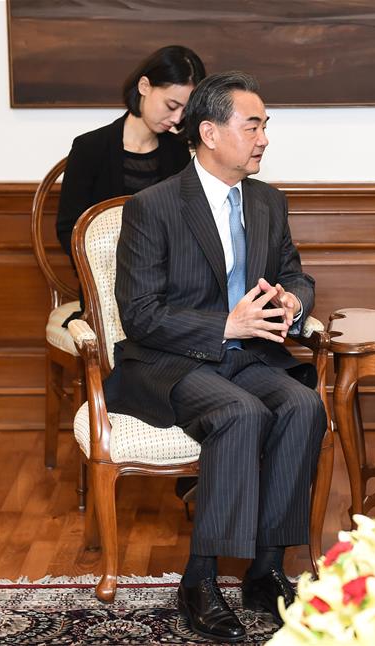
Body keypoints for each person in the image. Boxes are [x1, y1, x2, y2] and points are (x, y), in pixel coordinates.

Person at [105, 71, 326, 643]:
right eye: (252, 125)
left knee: (303, 405)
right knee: (240, 414)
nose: (264, 138)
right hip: (167, 361)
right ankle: (199, 581)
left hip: (247, 356)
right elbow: (140, 314)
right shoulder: (154, 207)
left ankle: (266, 569)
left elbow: (295, 276)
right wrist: (222, 324)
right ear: (208, 132)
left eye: (265, 125)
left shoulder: (267, 202)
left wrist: (290, 302)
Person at [56, 45, 206, 263]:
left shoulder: (176, 151)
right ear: (144, 86)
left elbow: (183, 226)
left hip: (166, 283)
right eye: (171, 105)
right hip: (104, 281)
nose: (177, 118)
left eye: (185, 110)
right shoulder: (90, 148)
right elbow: (68, 229)